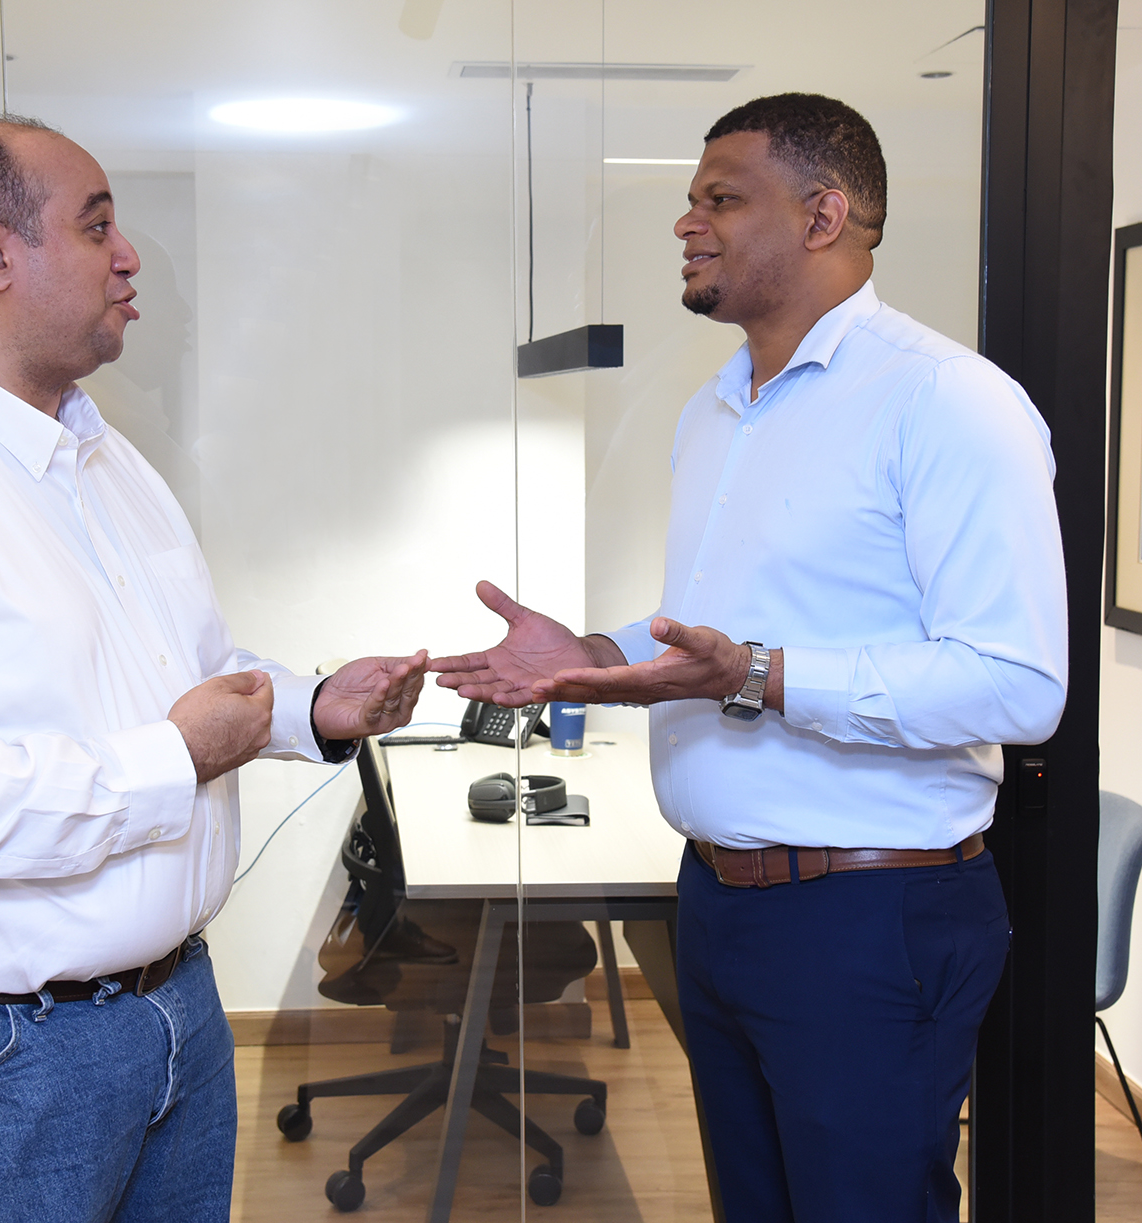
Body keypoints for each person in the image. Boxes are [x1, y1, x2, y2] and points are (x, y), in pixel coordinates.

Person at [0, 114, 428, 1223]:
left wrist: (312, 707)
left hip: (167, 1014)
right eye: (97, 227)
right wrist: (177, 758)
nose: (130, 256)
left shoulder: (101, 455)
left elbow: (179, 668)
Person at [431, 93, 1067, 1222]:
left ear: (824, 217)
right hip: (720, 905)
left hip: (870, 917)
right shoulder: (717, 410)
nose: (688, 223)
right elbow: (709, 628)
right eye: (691, 200)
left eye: (721, 199)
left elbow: (1018, 683)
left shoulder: (948, 402)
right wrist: (588, 651)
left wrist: (758, 675)